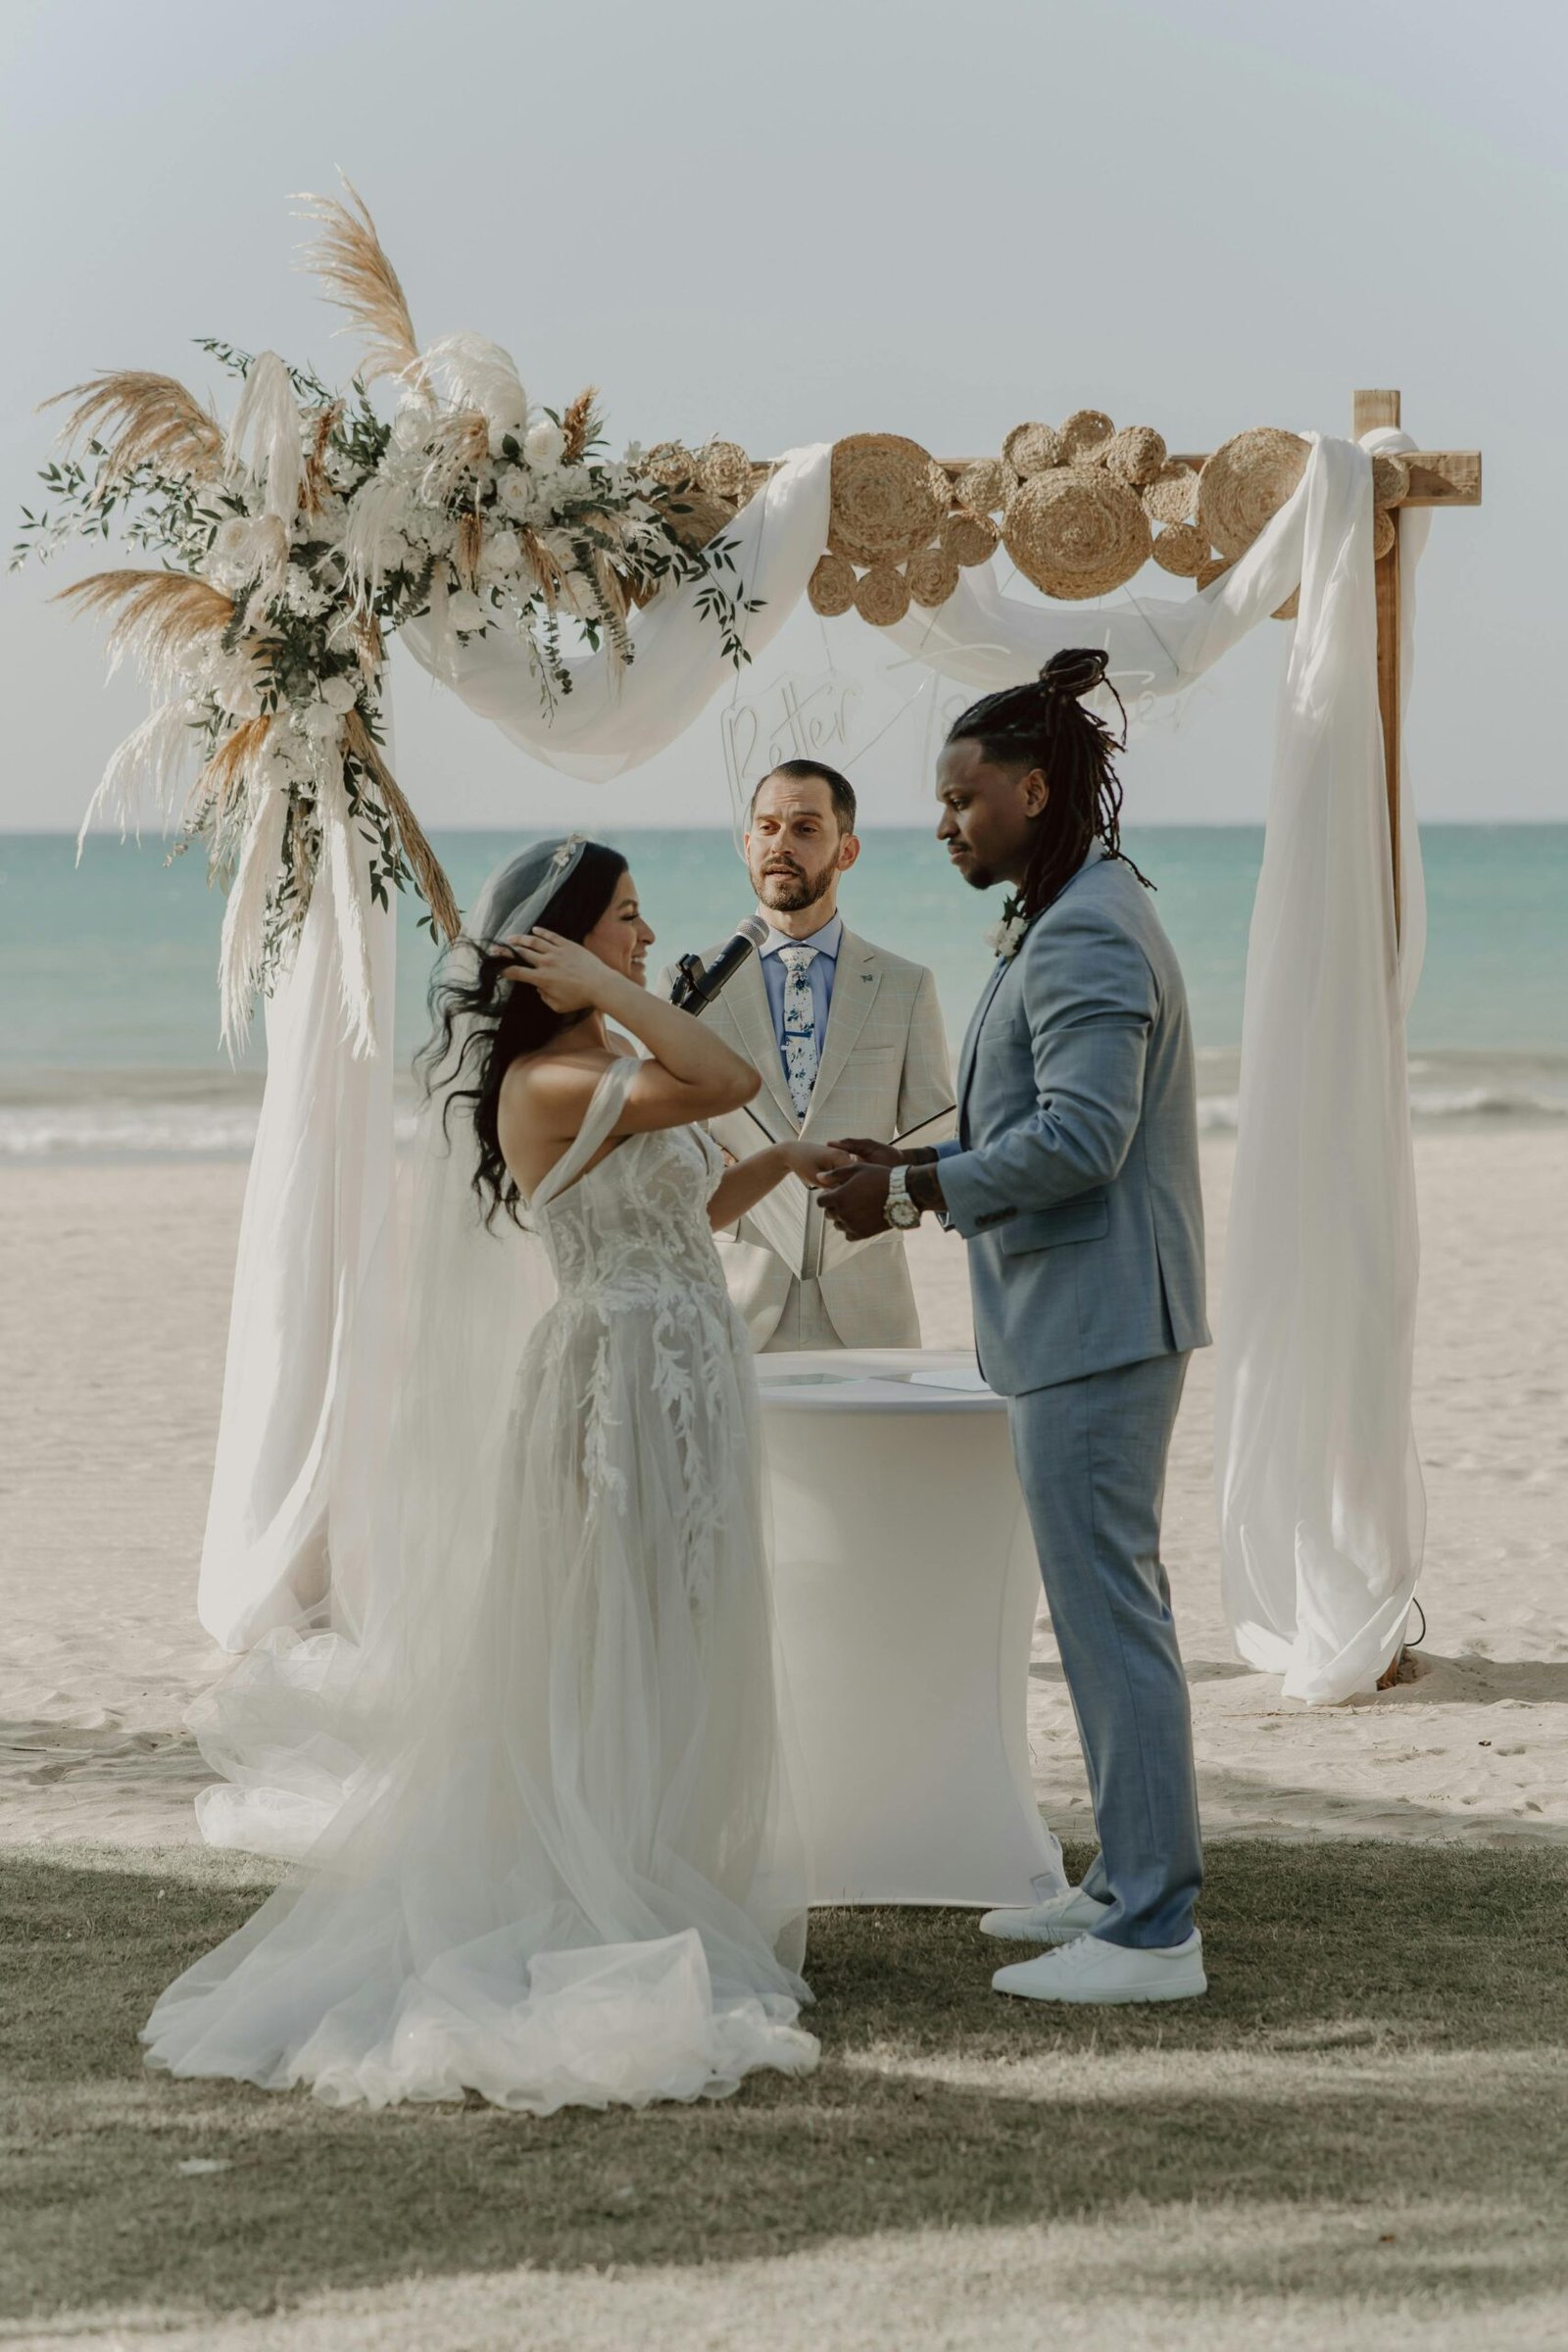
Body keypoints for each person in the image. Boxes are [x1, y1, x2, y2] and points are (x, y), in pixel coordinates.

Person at [143, 838, 847, 2111]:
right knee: (610, 1628)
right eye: (619, 924)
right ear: (561, 949)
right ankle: (605, 1881)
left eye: (636, 925)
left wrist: (783, 1168)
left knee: (680, 1625)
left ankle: (664, 1860)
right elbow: (730, 1071)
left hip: (681, 1366)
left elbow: (684, 1209)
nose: (642, 939)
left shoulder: (615, 1068)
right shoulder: (549, 1078)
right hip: (619, 1381)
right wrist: (620, 992)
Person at [820, 651, 1210, 2006]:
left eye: (962, 800)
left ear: (1036, 793)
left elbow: (1089, 1141)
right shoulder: (1071, 909)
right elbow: (1037, 1110)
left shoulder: (1091, 925)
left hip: (1097, 1325)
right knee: (1105, 1615)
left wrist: (914, 1192)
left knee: (1114, 1621)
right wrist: (916, 1149)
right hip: (1078, 1322)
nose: (943, 824)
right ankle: (1118, 1883)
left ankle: (1157, 1932)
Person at [658, 759, 953, 1351]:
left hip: (869, 1308)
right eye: (767, 828)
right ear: (746, 845)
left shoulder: (906, 984)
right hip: (730, 1305)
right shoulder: (685, 986)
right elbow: (660, 1138)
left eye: (806, 829)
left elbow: (937, 1138)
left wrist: (890, 1206)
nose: (781, 845)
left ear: (847, 851)